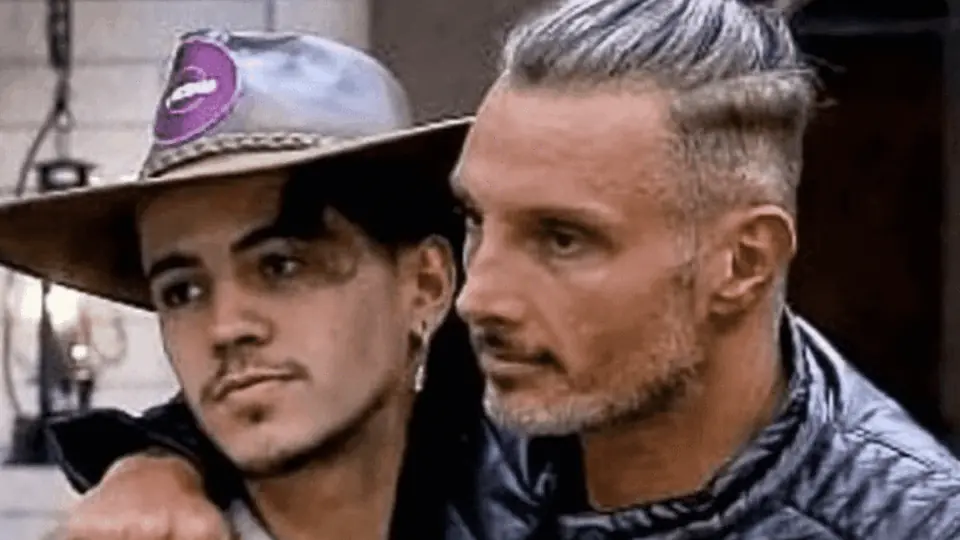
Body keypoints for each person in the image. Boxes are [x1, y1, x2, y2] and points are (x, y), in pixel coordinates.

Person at [15, 1, 960, 539]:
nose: (483, 294)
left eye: (563, 239)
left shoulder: (895, 518)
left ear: (740, 266)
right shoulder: (508, 384)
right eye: (478, 222)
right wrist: (153, 465)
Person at [0, 28, 536, 539]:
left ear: (425, 285)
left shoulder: (546, 500)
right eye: (182, 291)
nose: (226, 327)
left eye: (282, 266)